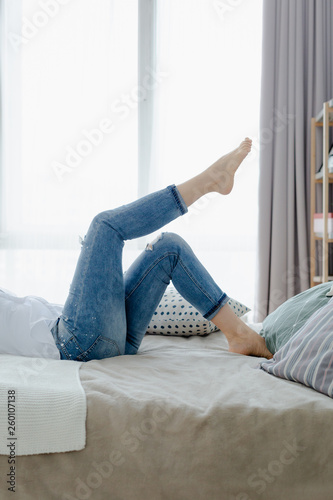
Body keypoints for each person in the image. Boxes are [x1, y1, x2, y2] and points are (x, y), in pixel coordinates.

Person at [0, 138, 273, 361]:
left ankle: (239, 335)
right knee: (104, 226)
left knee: (168, 247)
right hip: (76, 342)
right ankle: (209, 182)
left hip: (104, 336)